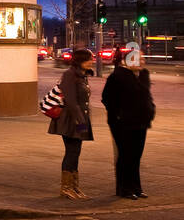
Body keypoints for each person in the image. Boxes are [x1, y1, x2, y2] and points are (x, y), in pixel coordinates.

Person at [100, 47, 155, 198]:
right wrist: (118, 115)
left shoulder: (144, 74)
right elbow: (106, 98)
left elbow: (146, 95)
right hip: (122, 124)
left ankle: (136, 187)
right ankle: (124, 189)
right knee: (125, 155)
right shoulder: (117, 76)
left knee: (136, 155)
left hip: (141, 121)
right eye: (139, 59)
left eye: (143, 59)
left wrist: (151, 110)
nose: (142, 62)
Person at [49, 47, 94, 199]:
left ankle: (74, 187)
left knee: (76, 152)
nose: (91, 62)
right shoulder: (69, 75)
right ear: (80, 61)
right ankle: (66, 187)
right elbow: (71, 101)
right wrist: (82, 123)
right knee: (71, 152)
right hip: (70, 121)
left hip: (80, 120)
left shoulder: (82, 75)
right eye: (89, 59)